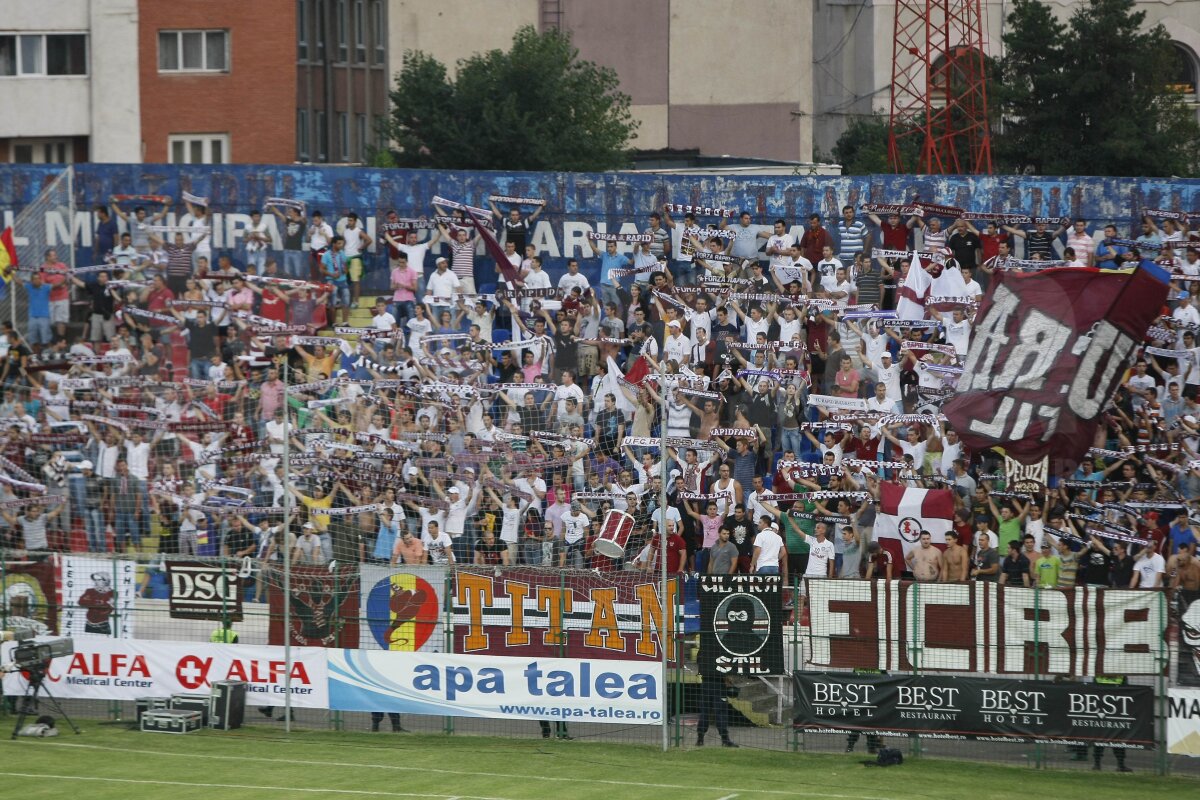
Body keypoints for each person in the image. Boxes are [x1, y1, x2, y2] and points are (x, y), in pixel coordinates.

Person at [695, 671, 738, 747]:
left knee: (704, 712)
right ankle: (725, 740)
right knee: (721, 713)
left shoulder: (703, 658)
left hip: (706, 683)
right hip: (719, 683)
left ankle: (700, 740)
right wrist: (728, 679)